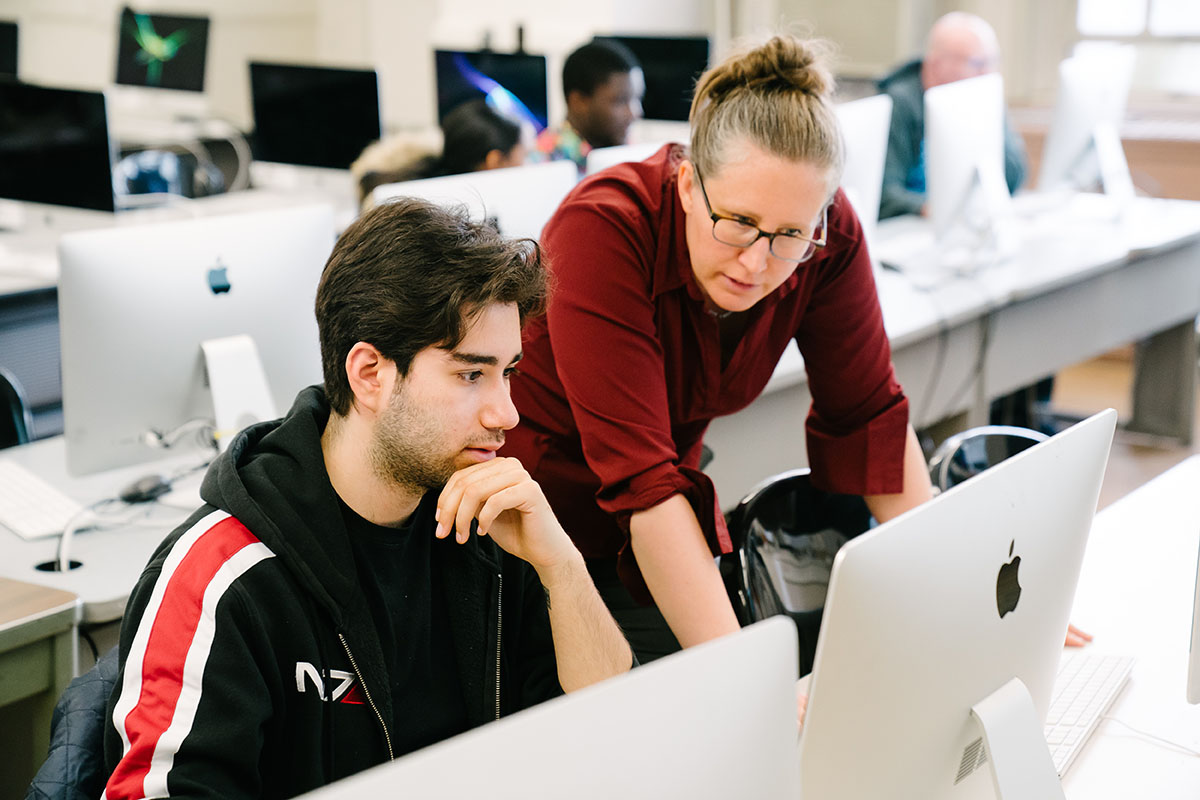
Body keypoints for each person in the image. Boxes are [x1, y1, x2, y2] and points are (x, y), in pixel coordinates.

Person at [101, 199, 632, 799]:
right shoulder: (223, 574)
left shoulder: (491, 524)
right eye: (469, 374)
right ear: (370, 374)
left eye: (508, 372)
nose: (506, 412)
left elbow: (608, 735)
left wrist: (562, 568)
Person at [501, 34, 935, 664]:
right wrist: (748, 678)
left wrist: (963, 588)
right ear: (685, 184)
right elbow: (644, 483)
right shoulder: (602, 229)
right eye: (736, 222)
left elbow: (868, 416)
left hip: (655, 525)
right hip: (535, 534)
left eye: (790, 234)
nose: (758, 262)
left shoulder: (827, 232)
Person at [877, 11, 1027, 220]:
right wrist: (933, 209)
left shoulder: (979, 96)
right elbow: (884, 195)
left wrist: (988, 117)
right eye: (977, 63)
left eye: (993, 62)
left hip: (959, 226)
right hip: (910, 228)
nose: (987, 73)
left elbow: (1015, 177)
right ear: (937, 65)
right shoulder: (897, 104)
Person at [352, 99, 529, 206]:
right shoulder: (454, 216)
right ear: (494, 161)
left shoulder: (427, 181)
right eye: (523, 157)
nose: (526, 166)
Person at [532, 40, 645, 171]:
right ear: (578, 101)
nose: (635, 112)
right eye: (620, 101)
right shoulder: (541, 164)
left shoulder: (628, 151)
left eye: (638, 98)